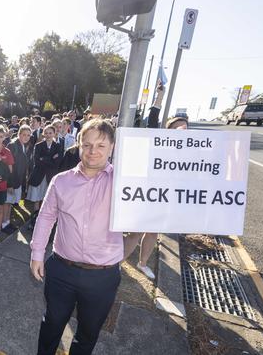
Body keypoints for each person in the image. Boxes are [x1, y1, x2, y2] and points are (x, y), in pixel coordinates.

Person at [30, 119, 121, 355]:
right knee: (51, 324)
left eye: (101, 145)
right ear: (78, 145)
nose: (93, 151)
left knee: (88, 334)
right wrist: (37, 254)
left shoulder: (123, 183)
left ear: (112, 147)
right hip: (62, 270)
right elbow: (46, 217)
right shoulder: (61, 181)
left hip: (103, 275)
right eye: (87, 144)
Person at [123, 115, 189, 280]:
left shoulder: (189, 151)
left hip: (166, 199)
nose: (182, 132)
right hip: (148, 196)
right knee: (135, 233)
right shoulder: (158, 146)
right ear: (169, 130)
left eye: (185, 129)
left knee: (152, 232)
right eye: (178, 128)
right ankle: (118, 262)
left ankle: (142, 263)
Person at [27, 125, 63, 212]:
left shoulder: (58, 146)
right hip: (39, 174)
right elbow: (37, 161)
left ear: (54, 134)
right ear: (43, 134)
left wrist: (44, 158)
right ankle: (35, 216)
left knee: (47, 198)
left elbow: (57, 163)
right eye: (46, 133)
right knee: (37, 198)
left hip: (50, 175)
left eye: (50, 133)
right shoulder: (38, 146)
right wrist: (51, 158)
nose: (48, 135)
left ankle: (44, 215)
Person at [3, 125, 33, 229]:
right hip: (10, 181)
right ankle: (4, 224)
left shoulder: (23, 145)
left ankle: (6, 222)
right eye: (24, 134)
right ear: (19, 134)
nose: (26, 137)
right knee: (6, 203)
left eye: (28, 135)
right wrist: (9, 184)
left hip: (17, 180)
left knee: (10, 202)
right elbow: (8, 166)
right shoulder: (13, 145)